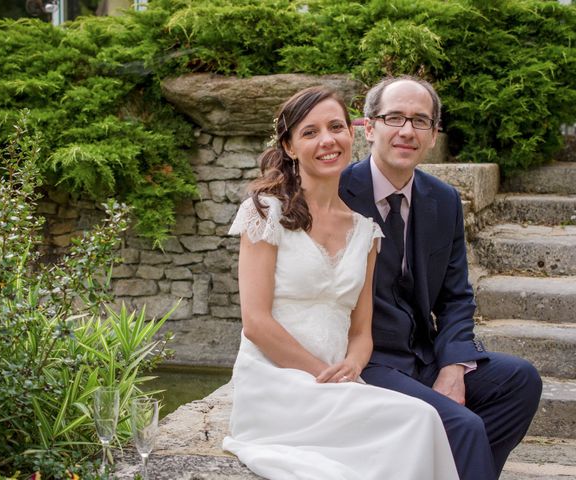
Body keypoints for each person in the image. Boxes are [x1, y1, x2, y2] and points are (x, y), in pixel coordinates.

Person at [222, 86, 460, 480]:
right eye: (310, 132)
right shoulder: (265, 212)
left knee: (422, 421)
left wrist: (351, 364)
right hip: (277, 382)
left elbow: (361, 331)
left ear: (353, 133)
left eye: (335, 127)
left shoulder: (366, 232)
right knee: (416, 423)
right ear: (290, 146)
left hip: (338, 379)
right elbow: (256, 322)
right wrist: (322, 374)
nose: (327, 140)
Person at [339, 75, 543, 480]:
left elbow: (455, 297)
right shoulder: (338, 192)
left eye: (420, 121)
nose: (406, 131)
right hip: (365, 360)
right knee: (464, 427)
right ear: (369, 128)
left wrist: (453, 365)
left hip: (424, 355)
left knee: (520, 380)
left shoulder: (443, 199)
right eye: (394, 117)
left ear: (433, 135)